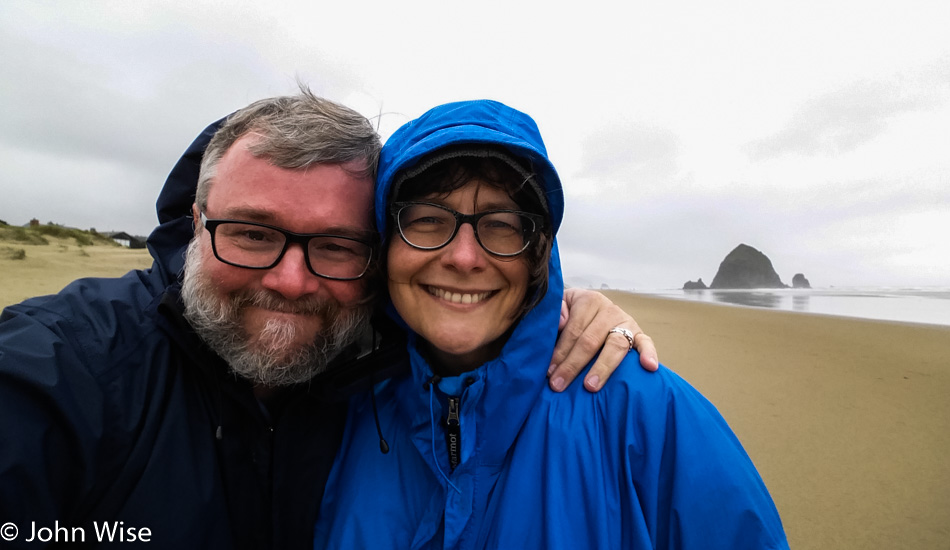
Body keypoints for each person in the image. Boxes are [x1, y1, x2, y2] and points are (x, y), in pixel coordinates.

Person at [0, 89, 658, 549]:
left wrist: (557, 310)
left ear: (374, 258)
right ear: (198, 226)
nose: (291, 281)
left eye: (335, 246)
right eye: (253, 234)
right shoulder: (68, 372)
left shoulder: (384, 372)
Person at [313, 100, 789, 549]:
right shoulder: (338, 409)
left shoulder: (645, 414)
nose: (463, 257)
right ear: (384, 242)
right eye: (427, 219)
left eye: (501, 223)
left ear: (539, 254)